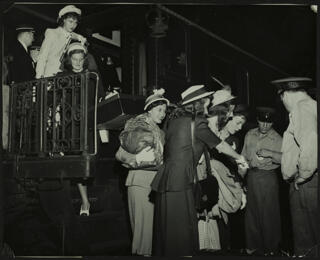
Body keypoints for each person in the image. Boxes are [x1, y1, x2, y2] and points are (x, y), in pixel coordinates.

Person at [151, 84, 248, 256]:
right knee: (182, 232)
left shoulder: (173, 120)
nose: (207, 106)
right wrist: (239, 157)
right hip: (181, 181)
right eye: (205, 103)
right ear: (197, 103)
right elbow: (219, 145)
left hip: (166, 179)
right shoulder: (197, 121)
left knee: (168, 230)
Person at [115, 89, 169, 256]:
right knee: (142, 233)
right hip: (140, 181)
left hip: (156, 182)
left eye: (165, 111)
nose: (163, 114)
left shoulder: (161, 133)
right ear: (149, 110)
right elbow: (119, 154)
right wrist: (136, 159)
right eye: (159, 110)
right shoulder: (139, 127)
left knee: (153, 233)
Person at [271, 77, 317, 257]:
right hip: (311, 183)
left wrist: (303, 175)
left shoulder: (302, 108)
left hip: (307, 185)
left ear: (285, 95)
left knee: (306, 240)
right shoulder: (312, 106)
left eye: (281, 99)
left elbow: (311, 142)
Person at [238, 107, 282, 256]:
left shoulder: (277, 138)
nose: (264, 126)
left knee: (269, 215)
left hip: (268, 177)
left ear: (272, 123)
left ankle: (271, 249)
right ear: (257, 120)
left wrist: (270, 153)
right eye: (262, 122)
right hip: (251, 176)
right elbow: (243, 156)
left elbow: (286, 159)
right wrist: (241, 177)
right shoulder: (250, 134)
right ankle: (253, 247)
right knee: (251, 215)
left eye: (268, 123)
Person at [36, 5, 86, 79]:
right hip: (50, 75)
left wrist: (81, 38)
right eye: (70, 21)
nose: (73, 25)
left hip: (67, 76)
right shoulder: (52, 33)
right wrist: (39, 77)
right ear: (63, 20)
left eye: (76, 23)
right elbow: (42, 56)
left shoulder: (73, 36)